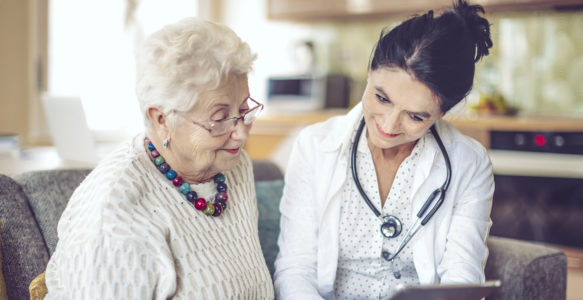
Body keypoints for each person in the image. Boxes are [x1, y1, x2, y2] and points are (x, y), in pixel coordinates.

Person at [274, 1, 494, 299]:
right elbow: (295, 270)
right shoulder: (314, 146)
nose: (389, 126)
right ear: (369, 73)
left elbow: (462, 276)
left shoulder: (469, 162)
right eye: (381, 98)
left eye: (416, 116)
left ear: (442, 113)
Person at [44, 18, 274, 299]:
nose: (240, 133)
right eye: (220, 118)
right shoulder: (112, 215)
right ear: (161, 118)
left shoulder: (231, 166)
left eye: (244, 109)